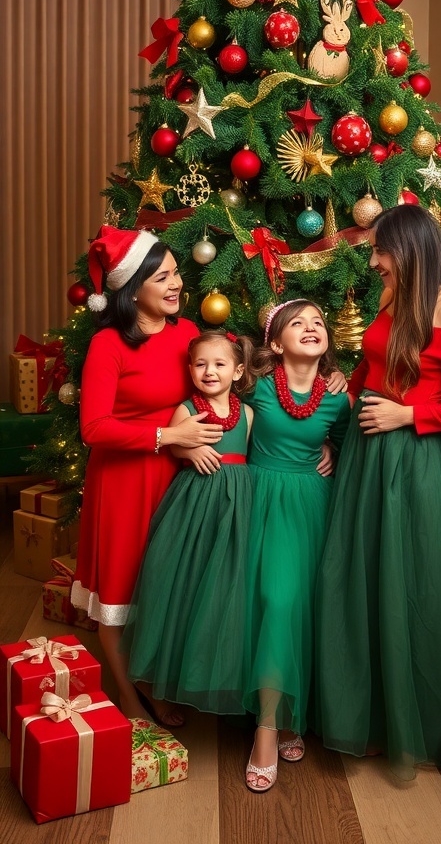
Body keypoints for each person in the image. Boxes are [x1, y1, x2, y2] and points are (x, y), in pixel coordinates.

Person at [315, 204, 441, 778]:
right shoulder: (395, 298)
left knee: (412, 588)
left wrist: (406, 417)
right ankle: (374, 718)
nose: (372, 262)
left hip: (417, 468)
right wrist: (346, 408)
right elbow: (377, 368)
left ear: (409, 249)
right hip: (371, 462)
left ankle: (417, 722)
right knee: (368, 583)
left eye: (380, 250)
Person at [71, 225, 223, 723]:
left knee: (164, 585)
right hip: (124, 484)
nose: (177, 284)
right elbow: (93, 427)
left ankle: (156, 681)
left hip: (178, 482)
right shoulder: (109, 345)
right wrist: (166, 437)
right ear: (133, 287)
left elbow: (221, 384)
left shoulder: (188, 334)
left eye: (177, 272)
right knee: (122, 589)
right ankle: (132, 698)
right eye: (163, 277)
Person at [241, 299, 351, 792]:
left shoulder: (338, 398)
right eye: (297, 324)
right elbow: (220, 424)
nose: (311, 328)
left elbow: (351, 446)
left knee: (306, 610)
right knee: (275, 605)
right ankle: (266, 727)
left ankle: (290, 714)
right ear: (274, 342)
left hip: (314, 506)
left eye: (319, 323)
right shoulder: (256, 389)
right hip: (260, 501)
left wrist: (331, 448)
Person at [122, 331, 254, 716]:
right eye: (200, 364)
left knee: (224, 585)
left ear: (238, 370)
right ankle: (157, 682)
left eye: (219, 364)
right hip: (194, 502)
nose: (209, 371)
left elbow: (260, 449)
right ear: (190, 369)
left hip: (237, 505)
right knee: (179, 580)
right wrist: (189, 447)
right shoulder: (187, 408)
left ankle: (213, 674)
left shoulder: (246, 412)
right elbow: (171, 443)